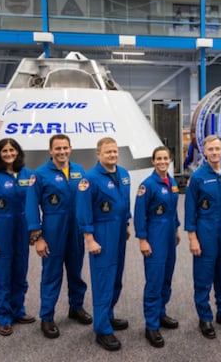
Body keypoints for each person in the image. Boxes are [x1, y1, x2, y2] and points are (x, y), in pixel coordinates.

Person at [26, 134, 92, 339]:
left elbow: (85, 200)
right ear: (50, 151)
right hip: (52, 231)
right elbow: (31, 206)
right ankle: (47, 317)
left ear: (70, 149)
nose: (62, 152)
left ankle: (76, 307)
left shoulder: (79, 171)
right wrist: (38, 237)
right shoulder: (40, 174)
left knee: (75, 272)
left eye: (65, 148)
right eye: (58, 148)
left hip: (75, 230)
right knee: (51, 275)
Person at [184, 135, 221, 339]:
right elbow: (189, 209)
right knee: (203, 276)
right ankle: (205, 317)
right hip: (205, 229)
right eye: (210, 149)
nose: (214, 152)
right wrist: (192, 237)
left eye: (217, 148)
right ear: (205, 152)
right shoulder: (198, 177)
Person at [75, 137, 132, 351]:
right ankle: (102, 330)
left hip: (118, 231)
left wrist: (126, 225)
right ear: (98, 154)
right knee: (103, 280)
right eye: (108, 152)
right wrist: (89, 239)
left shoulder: (124, 175)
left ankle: (107, 315)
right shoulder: (89, 179)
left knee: (116, 278)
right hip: (101, 232)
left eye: (115, 151)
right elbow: (83, 211)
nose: (112, 155)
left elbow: (124, 204)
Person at [0, 138, 36, 336]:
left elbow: (32, 204)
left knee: (20, 271)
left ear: (18, 152)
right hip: (0, 227)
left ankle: (18, 311)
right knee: (1, 274)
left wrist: (32, 230)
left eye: (12, 150)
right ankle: (4, 316)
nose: (9, 153)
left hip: (21, 228)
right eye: (5, 151)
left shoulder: (27, 174)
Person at [134, 146, 181, 348]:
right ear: (153, 161)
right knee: (154, 280)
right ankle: (151, 326)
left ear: (170, 160)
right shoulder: (147, 185)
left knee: (166, 277)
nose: (162, 162)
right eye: (158, 159)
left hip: (170, 235)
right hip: (154, 236)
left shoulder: (171, 182)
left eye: (165, 158)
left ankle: (161, 314)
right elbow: (139, 215)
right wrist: (142, 240)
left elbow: (172, 210)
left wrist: (177, 229)